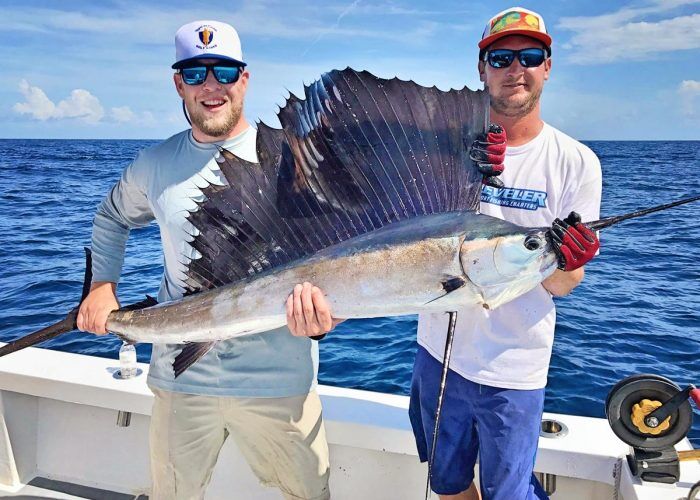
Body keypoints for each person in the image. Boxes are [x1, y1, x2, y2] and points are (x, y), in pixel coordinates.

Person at [76, 20, 335, 500]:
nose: (211, 86)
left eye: (224, 72)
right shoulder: (154, 165)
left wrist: (321, 318)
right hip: (181, 375)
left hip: (278, 380)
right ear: (178, 83)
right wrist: (101, 285)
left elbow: (330, 260)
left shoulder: (292, 160)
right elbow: (112, 216)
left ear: (245, 78)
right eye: (195, 74)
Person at [409, 7, 602, 500]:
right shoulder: (448, 146)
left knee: (508, 495)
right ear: (482, 69)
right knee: (447, 486)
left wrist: (567, 261)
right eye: (500, 58)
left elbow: (562, 284)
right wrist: (459, 166)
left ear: (548, 66)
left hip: (516, 368)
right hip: (438, 358)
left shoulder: (577, 162)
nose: (515, 69)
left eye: (530, 56)